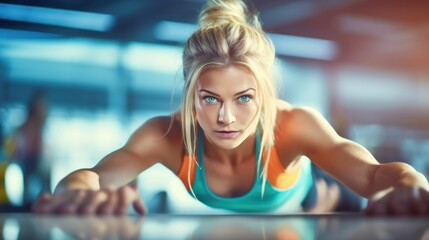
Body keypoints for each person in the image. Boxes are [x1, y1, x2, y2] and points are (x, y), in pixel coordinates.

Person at [33, 0, 429, 215]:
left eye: (243, 98)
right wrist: (77, 194)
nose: (226, 118)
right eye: (210, 99)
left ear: (265, 94)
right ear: (191, 97)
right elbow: (89, 178)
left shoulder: (293, 125)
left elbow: (377, 175)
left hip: (315, 201)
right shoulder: (166, 136)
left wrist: (411, 187)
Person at [12, 90, 50, 207]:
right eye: (40, 105)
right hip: (26, 164)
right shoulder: (25, 127)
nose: (43, 109)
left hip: (39, 165)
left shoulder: (43, 128)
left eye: (44, 106)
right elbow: (16, 149)